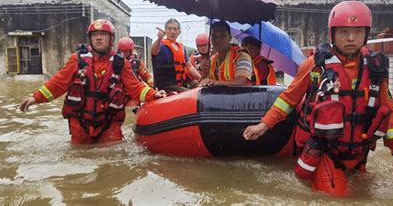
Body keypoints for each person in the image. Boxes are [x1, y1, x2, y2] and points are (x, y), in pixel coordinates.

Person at [243, 1, 393, 196]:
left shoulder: (375, 69)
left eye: (357, 32)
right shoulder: (315, 65)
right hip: (325, 150)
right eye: (343, 31)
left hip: (358, 152)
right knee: (336, 198)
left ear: (366, 34)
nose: (350, 38)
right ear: (333, 33)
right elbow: (288, 99)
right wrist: (263, 125)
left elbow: (388, 112)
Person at [19, 19, 165, 144]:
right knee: (79, 158)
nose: (98, 38)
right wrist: (36, 98)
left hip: (109, 122)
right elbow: (58, 83)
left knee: (114, 156)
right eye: (95, 35)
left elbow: (136, 88)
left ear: (111, 39)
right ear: (90, 38)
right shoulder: (77, 59)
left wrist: (154, 95)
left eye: (103, 34)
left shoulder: (120, 63)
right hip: (80, 121)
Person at [151, 18, 201, 93]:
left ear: (179, 32)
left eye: (175, 29)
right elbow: (153, 51)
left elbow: (189, 66)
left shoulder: (182, 48)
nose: (172, 32)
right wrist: (159, 39)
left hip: (181, 83)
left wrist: (201, 79)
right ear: (165, 31)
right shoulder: (161, 45)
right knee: (189, 93)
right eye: (169, 29)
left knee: (200, 87)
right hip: (166, 85)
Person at [199, 21, 253, 86]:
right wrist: (205, 73)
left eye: (223, 35)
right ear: (211, 40)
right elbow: (200, 87)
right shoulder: (211, 60)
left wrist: (214, 82)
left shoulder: (242, 56)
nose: (218, 39)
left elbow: (240, 82)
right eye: (214, 36)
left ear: (230, 37)